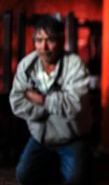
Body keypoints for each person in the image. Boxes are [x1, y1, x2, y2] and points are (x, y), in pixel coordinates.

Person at [9, 16, 93, 184]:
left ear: (62, 41)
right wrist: (51, 107)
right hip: (41, 139)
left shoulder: (75, 65)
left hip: (71, 139)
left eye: (50, 40)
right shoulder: (27, 65)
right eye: (39, 40)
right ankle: (54, 165)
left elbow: (74, 105)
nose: (44, 47)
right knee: (24, 176)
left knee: (76, 180)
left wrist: (41, 99)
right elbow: (16, 103)